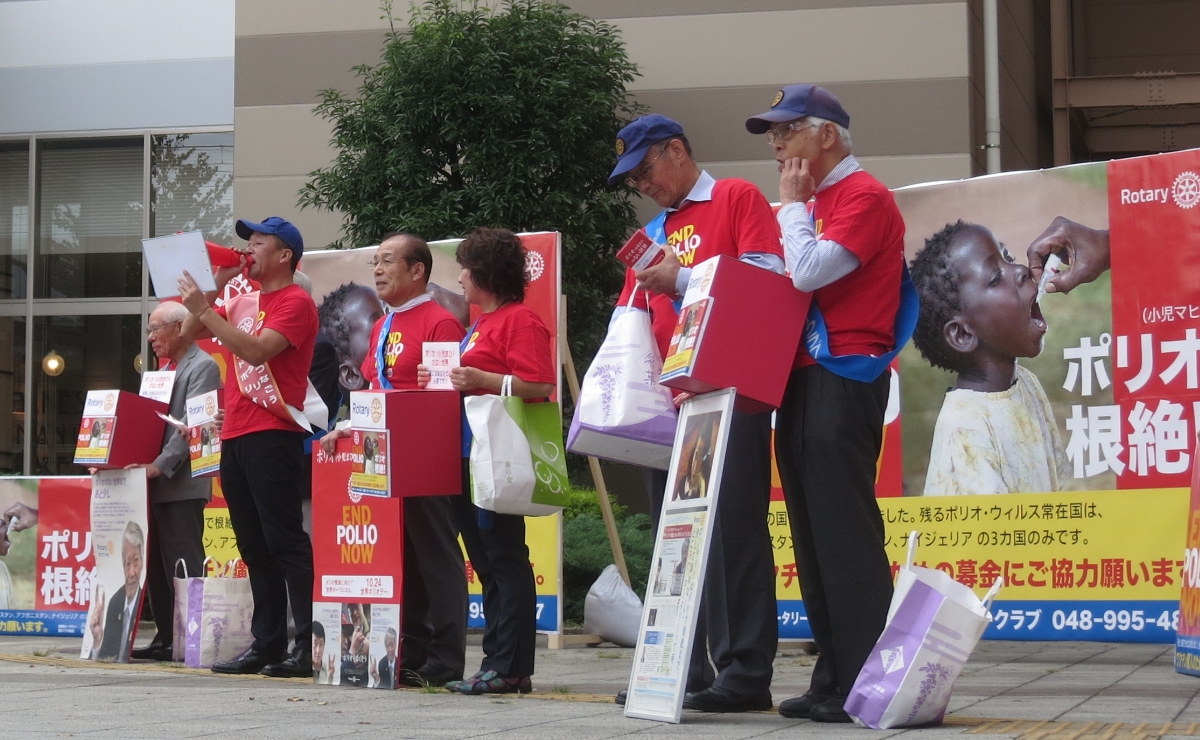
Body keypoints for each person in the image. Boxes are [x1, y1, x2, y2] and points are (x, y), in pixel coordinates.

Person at [608, 114, 784, 712]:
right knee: (677, 540)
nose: (642, 185)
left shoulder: (735, 197)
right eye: (632, 178)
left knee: (733, 532)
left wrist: (679, 278)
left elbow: (768, 277)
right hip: (670, 400)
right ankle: (683, 665)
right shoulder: (657, 227)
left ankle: (744, 672)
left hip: (728, 391)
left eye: (645, 169)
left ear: (677, 150)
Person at [745, 84, 906, 722]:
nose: (776, 144)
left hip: (846, 370)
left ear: (828, 136)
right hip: (804, 373)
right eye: (772, 135)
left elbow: (809, 271)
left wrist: (788, 207)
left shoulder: (863, 195)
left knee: (844, 530)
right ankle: (833, 677)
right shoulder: (820, 200)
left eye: (787, 131)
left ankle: (865, 680)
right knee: (811, 532)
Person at [321, 232, 469, 688]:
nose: (378, 270)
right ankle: (412, 652)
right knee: (403, 557)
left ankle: (447, 657)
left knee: (437, 556)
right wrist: (345, 426)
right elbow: (370, 391)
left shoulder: (439, 323)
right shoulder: (386, 325)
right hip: (384, 459)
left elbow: (445, 402)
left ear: (417, 270)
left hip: (426, 456)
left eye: (388, 262)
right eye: (376, 262)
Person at [177, 216, 319, 678]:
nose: (249, 249)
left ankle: (305, 645)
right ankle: (267, 642)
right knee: (253, 545)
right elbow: (189, 335)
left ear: (284, 256)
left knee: (285, 541)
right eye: (249, 242)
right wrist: (216, 287)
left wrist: (209, 307)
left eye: (260, 242)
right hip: (235, 433)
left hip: (273, 432)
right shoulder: (241, 299)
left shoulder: (295, 301)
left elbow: (258, 352)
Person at [416, 227, 556, 696]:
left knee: (504, 558)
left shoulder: (520, 321)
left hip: (498, 455)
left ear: (485, 275)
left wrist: (482, 378)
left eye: (465, 268)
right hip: (469, 455)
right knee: (487, 559)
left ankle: (509, 664)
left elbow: (540, 386)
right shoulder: (480, 322)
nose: (459, 278)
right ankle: (501, 663)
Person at [912, 221, 1070, 496]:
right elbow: (991, 534)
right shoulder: (965, 430)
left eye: (1008, 258)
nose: (1020, 270)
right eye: (995, 277)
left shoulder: (1027, 384)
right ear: (962, 334)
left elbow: (1055, 490)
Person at [122, 301, 222, 661]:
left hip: (180, 480)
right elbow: (146, 424)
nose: (150, 338)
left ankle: (189, 638)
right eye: (149, 331)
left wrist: (160, 465)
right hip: (150, 481)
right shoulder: (162, 371)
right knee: (157, 566)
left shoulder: (204, 366)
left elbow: (196, 424)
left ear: (179, 327)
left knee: (183, 562)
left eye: (155, 329)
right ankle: (166, 637)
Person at [89, 520, 145, 661]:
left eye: (136, 561)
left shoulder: (145, 600)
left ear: (143, 560)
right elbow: (106, 656)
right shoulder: (115, 602)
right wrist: (97, 640)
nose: (131, 572)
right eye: (127, 564)